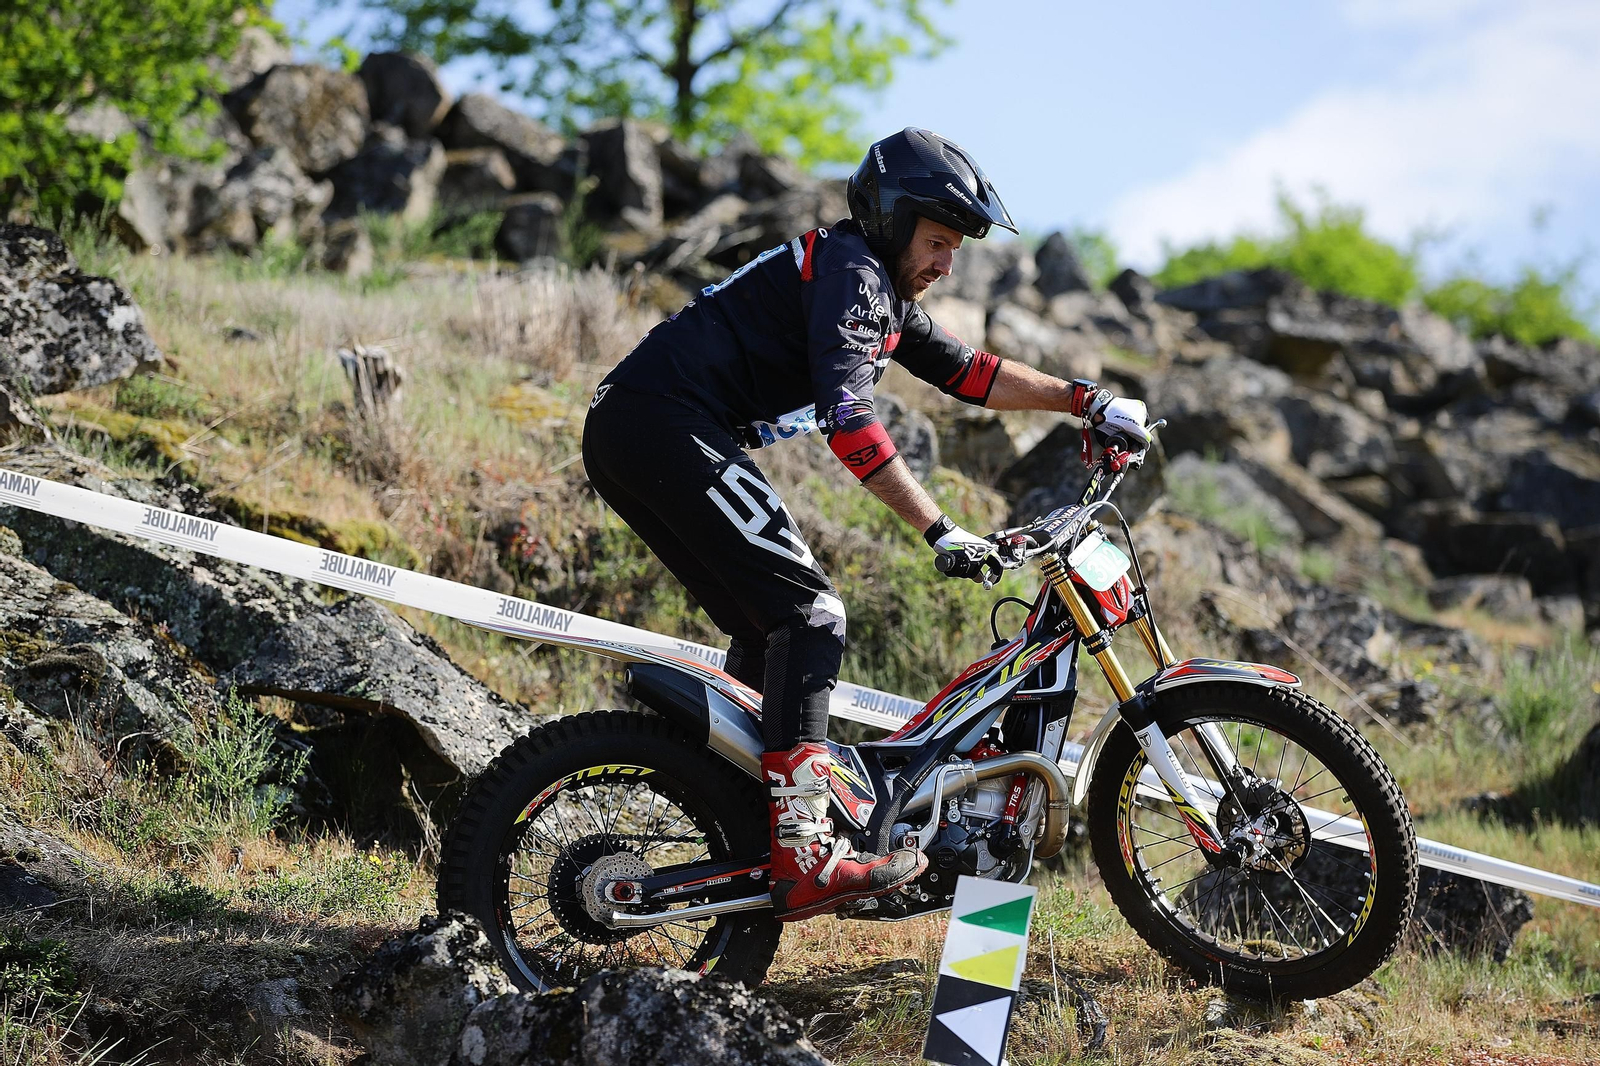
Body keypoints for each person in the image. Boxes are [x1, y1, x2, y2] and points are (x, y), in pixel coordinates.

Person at [582, 127, 1152, 922]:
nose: (947, 264)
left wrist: (1085, 400)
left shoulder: (870, 281)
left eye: (956, 250)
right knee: (812, 616)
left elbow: (970, 373)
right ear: (892, 218)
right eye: (938, 241)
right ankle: (805, 849)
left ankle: (748, 819)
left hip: (637, 426)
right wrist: (940, 528)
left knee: (770, 632)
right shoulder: (854, 276)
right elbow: (847, 417)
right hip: (662, 423)